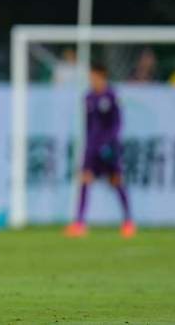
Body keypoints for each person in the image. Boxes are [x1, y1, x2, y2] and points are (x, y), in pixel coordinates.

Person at [65, 62, 135, 238]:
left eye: (94, 77)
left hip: (109, 147)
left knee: (116, 180)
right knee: (85, 179)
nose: (92, 80)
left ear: (102, 76)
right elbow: (88, 125)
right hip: (92, 147)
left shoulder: (112, 96)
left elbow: (117, 123)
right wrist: (89, 144)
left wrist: (110, 143)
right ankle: (80, 223)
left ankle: (128, 221)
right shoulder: (88, 97)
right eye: (90, 77)